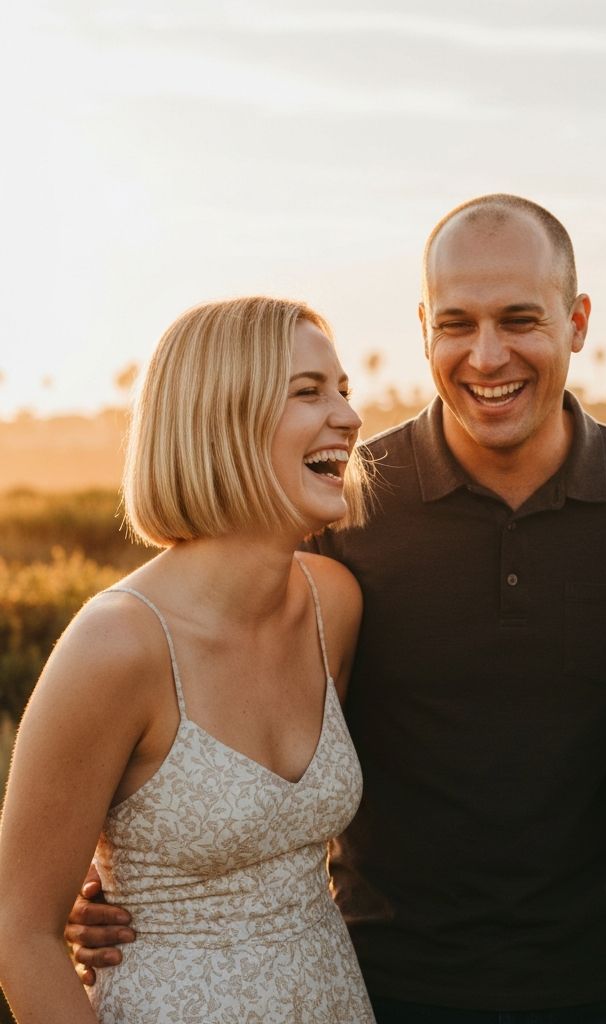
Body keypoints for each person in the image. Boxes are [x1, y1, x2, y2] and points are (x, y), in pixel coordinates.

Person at [64, 202, 606, 1021]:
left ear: (576, 322)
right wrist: (130, 883)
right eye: (457, 323)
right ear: (425, 326)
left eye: (520, 319)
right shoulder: (343, 512)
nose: (487, 354)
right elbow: (223, 704)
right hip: (380, 981)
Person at [0, 297, 376, 1022]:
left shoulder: (336, 606)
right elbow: (21, 935)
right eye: (308, 391)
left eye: (343, 390)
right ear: (220, 419)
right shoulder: (115, 646)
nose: (350, 417)